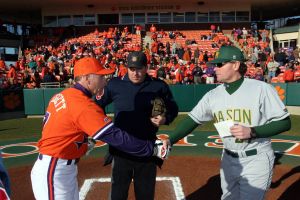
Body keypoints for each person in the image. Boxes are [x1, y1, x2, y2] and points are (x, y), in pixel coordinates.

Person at [30, 57, 169, 200]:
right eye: (101, 76)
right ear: (87, 78)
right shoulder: (82, 104)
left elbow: (61, 128)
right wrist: (152, 148)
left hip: (60, 167)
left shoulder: (64, 95)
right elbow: (116, 136)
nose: (105, 80)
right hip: (54, 169)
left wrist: (81, 142)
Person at [166, 46, 291, 200]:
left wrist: (252, 131)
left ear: (236, 65)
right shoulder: (213, 95)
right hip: (228, 158)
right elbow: (192, 120)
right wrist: (170, 139)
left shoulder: (261, 89)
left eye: (220, 64)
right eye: (215, 65)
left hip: (256, 158)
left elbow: (285, 123)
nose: (215, 69)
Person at [96, 51, 178, 200]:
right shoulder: (115, 84)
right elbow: (96, 105)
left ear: (146, 68)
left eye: (139, 68)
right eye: (132, 68)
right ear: (126, 67)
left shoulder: (158, 86)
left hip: (147, 150)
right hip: (121, 151)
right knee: (117, 195)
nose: (136, 73)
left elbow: (173, 108)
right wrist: (104, 123)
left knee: (145, 196)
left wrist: (164, 119)